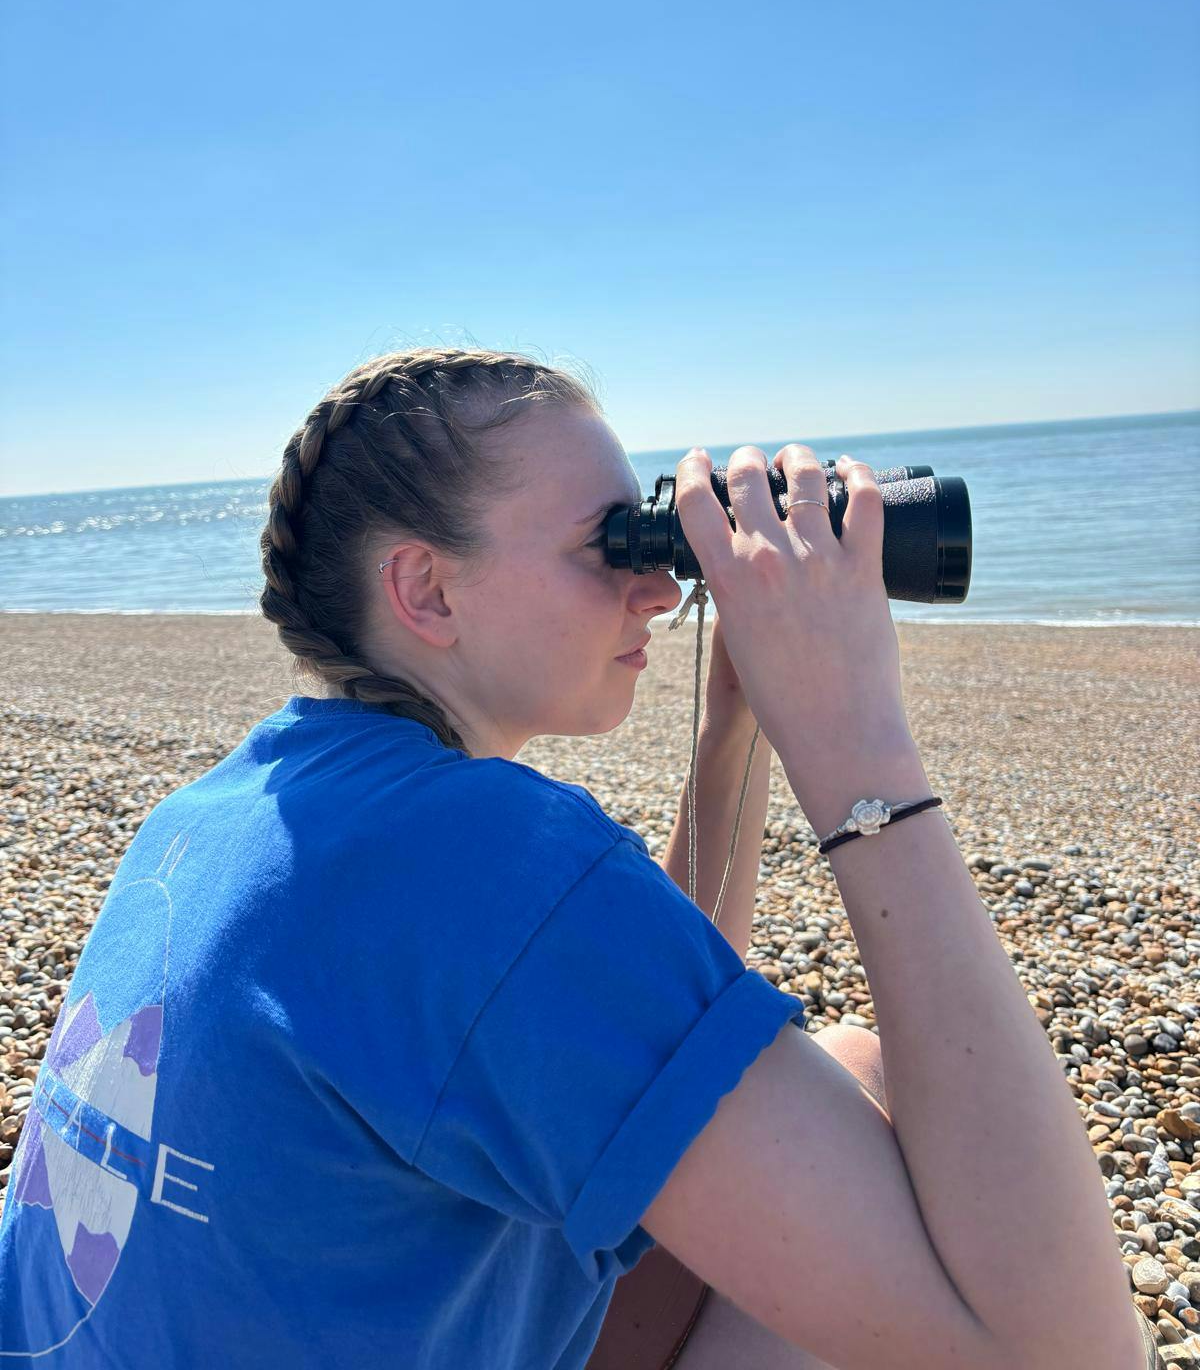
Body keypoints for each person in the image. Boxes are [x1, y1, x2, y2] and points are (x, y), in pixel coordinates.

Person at [0, 347, 1148, 1370]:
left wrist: (736, 729)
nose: (660, 585)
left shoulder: (233, 806)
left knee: (832, 1065)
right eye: (612, 545)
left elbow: (637, 1045)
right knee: (882, 1094)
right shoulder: (479, 854)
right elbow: (1066, 1351)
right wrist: (857, 737)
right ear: (426, 589)